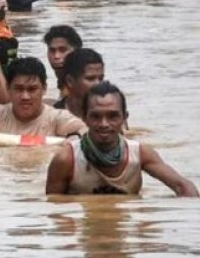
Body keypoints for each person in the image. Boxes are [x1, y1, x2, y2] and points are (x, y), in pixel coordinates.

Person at [46, 82, 199, 196]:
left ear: (124, 118)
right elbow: (54, 209)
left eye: (112, 116)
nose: (104, 124)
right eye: (96, 116)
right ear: (84, 118)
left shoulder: (140, 153)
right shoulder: (66, 159)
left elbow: (183, 186)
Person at [55, 48, 104, 118]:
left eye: (101, 79)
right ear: (70, 81)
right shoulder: (54, 117)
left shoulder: (110, 113)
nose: (98, 84)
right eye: (90, 79)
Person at [43, 25, 83, 97]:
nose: (56, 56)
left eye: (62, 50)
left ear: (77, 51)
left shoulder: (82, 87)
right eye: (52, 50)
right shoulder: (64, 83)